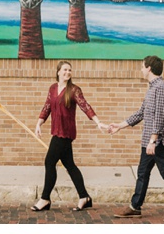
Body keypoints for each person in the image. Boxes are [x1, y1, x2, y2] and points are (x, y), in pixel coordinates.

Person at [109, 55, 164, 222]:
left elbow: (160, 116)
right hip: (148, 141)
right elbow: (141, 113)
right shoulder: (152, 88)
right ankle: (135, 207)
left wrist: (153, 140)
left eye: (142, 66)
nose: (140, 69)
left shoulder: (160, 88)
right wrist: (119, 125)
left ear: (149, 68)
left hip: (156, 142)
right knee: (143, 173)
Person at [31, 60, 107, 212]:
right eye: (65, 70)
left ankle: (45, 199)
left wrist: (98, 122)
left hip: (65, 133)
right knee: (70, 165)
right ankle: (84, 197)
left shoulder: (74, 90)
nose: (67, 72)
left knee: (49, 162)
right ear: (58, 71)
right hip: (56, 130)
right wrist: (39, 123)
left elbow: (85, 106)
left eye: (69, 70)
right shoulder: (53, 88)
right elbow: (47, 107)